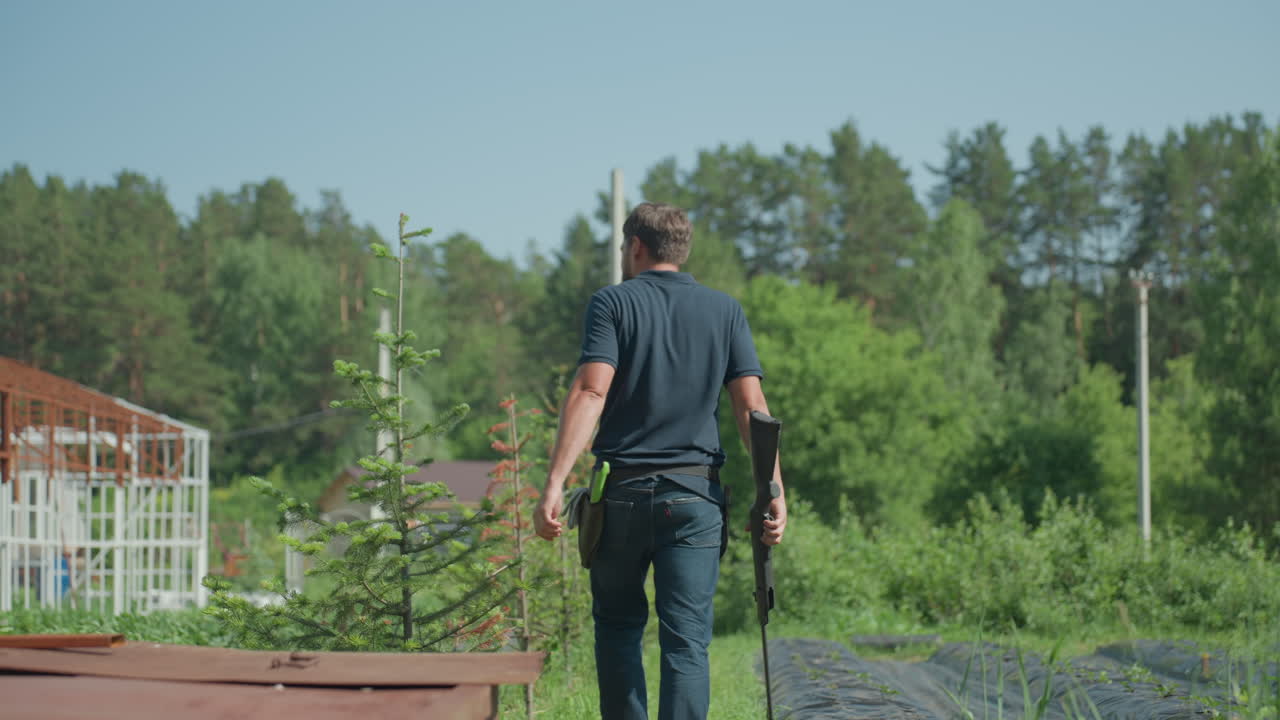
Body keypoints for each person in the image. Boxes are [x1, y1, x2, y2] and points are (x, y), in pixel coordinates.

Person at [532, 202, 787, 720]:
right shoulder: (725, 310)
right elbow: (752, 409)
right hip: (694, 499)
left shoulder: (612, 304)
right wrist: (774, 491)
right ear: (682, 249)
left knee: (619, 628)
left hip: (619, 497)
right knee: (687, 641)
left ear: (635, 248)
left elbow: (589, 392)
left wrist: (554, 483)